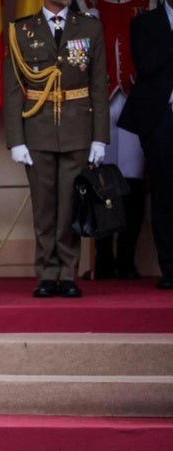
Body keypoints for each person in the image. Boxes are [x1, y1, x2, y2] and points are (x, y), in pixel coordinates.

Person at [3, 0, 110, 298]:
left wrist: (100, 137)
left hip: (78, 131)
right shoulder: (21, 30)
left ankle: (68, 273)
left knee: (70, 206)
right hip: (37, 129)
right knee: (44, 207)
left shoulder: (89, 26)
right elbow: (12, 89)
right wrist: (16, 140)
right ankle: (47, 273)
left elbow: (99, 85)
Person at [86, 0, 150, 280]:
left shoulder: (146, 5)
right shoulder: (90, 5)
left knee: (133, 183)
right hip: (100, 102)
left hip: (135, 100)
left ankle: (127, 258)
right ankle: (104, 258)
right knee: (102, 183)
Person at [118, 0, 173, 289]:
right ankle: (170, 269)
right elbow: (146, 65)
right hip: (160, 119)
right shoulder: (143, 23)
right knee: (164, 195)